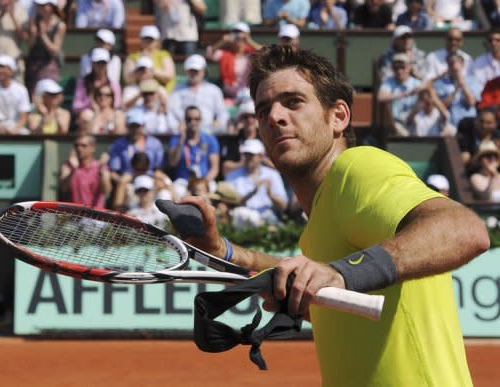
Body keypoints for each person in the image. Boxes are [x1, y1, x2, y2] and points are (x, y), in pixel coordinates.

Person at [177, 44, 489, 386]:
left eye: (293, 102)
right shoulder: (321, 223)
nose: (274, 117)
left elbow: (463, 229)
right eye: (263, 109)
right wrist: (226, 253)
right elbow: (330, 294)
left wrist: (338, 274)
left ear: (338, 116)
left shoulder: (357, 169)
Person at [225, 138, 288, 224]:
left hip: (268, 217)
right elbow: (230, 204)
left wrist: (270, 194)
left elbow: (283, 206)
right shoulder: (232, 176)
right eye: (246, 154)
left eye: (252, 155)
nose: (248, 158)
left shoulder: (273, 175)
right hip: (242, 219)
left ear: (261, 156)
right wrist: (252, 192)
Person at [167, 54, 229, 134]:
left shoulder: (214, 90)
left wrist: (218, 124)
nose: (194, 74)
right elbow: (172, 113)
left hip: (209, 133)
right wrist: (178, 127)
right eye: (191, 70)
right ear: (186, 71)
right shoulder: (177, 90)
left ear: (204, 71)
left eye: (196, 71)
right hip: (184, 133)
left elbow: (222, 114)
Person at [205, 22, 261, 101]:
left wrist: (249, 41)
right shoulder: (225, 54)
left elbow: (265, 53)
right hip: (228, 95)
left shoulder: (251, 54)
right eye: (235, 33)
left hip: (247, 95)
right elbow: (209, 54)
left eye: (240, 33)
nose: (238, 37)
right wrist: (222, 41)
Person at [167, 105, 220, 186]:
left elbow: (214, 168)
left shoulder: (209, 139)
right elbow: (172, 162)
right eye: (189, 119)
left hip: (204, 181)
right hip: (182, 182)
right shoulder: (176, 139)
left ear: (201, 120)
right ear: (185, 121)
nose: (192, 122)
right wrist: (182, 139)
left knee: (213, 187)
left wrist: (203, 183)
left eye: (196, 119)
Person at [24, 0, 66, 96]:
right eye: (39, 5)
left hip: (50, 66)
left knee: (49, 95)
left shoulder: (60, 25)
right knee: (33, 96)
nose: (40, 8)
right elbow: (30, 46)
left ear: (51, 6)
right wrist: (33, 34)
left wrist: (43, 35)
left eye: (43, 5)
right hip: (33, 65)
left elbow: (54, 51)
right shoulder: (33, 22)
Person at [59, 133, 112, 207]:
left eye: (84, 146)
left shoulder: (101, 167)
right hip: (75, 215)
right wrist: (74, 170)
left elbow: (106, 190)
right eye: (76, 146)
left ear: (92, 148)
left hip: (95, 215)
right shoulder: (68, 166)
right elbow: (63, 188)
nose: (79, 148)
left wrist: (101, 171)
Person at [431, 52, 481, 128]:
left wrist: (462, 83)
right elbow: (441, 105)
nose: (454, 66)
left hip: (469, 124)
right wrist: (456, 89)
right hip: (449, 125)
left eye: (457, 62)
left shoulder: (472, 81)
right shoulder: (440, 83)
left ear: (462, 64)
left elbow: (471, 102)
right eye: (451, 63)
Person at [377, 52, 422, 136]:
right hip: (395, 123)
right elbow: (380, 97)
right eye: (396, 68)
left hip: (415, 120)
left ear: (409, 67)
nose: (399, 71)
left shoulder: (417, 83)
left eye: (402, 67)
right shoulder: (389, 82)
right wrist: (404, 94)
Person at [122, 25, 176, 94]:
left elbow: (169, 76)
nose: (148, 41)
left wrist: (151, 71)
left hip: (162, 92)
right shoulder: (132, 57)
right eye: (146, 38)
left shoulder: (164, 55)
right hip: (138, 91)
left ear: (157, 41)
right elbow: (128, 79)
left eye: (151, 39)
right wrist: (140, 73)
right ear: (141, 39)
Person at [0, 55, 30, 135]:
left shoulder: (21, 90)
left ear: (11, 70)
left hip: (15, 126)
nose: (0, 70)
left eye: (3, 67)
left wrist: (15, 129)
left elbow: (24, 115)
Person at [0, 0, 28, 82]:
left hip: (15, 60)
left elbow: (24, 37)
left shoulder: (21, 12)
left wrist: (12, 16)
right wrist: (1, 14)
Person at [72, 48, 122, 114]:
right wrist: (90, 103)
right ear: (92, 63)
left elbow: (117, 104)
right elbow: (76, 106)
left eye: (103, 63)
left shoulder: (114, 84)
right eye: (98, 63)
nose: (101, 66)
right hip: (89, 116)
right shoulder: (82, 82)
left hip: (108, 115)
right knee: (87, 114)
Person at [473, 27, 500, 92]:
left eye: (497, 40)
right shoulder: (479, 61)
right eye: (490, 40)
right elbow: (478, 85)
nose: (493, 43)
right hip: (488, 98)